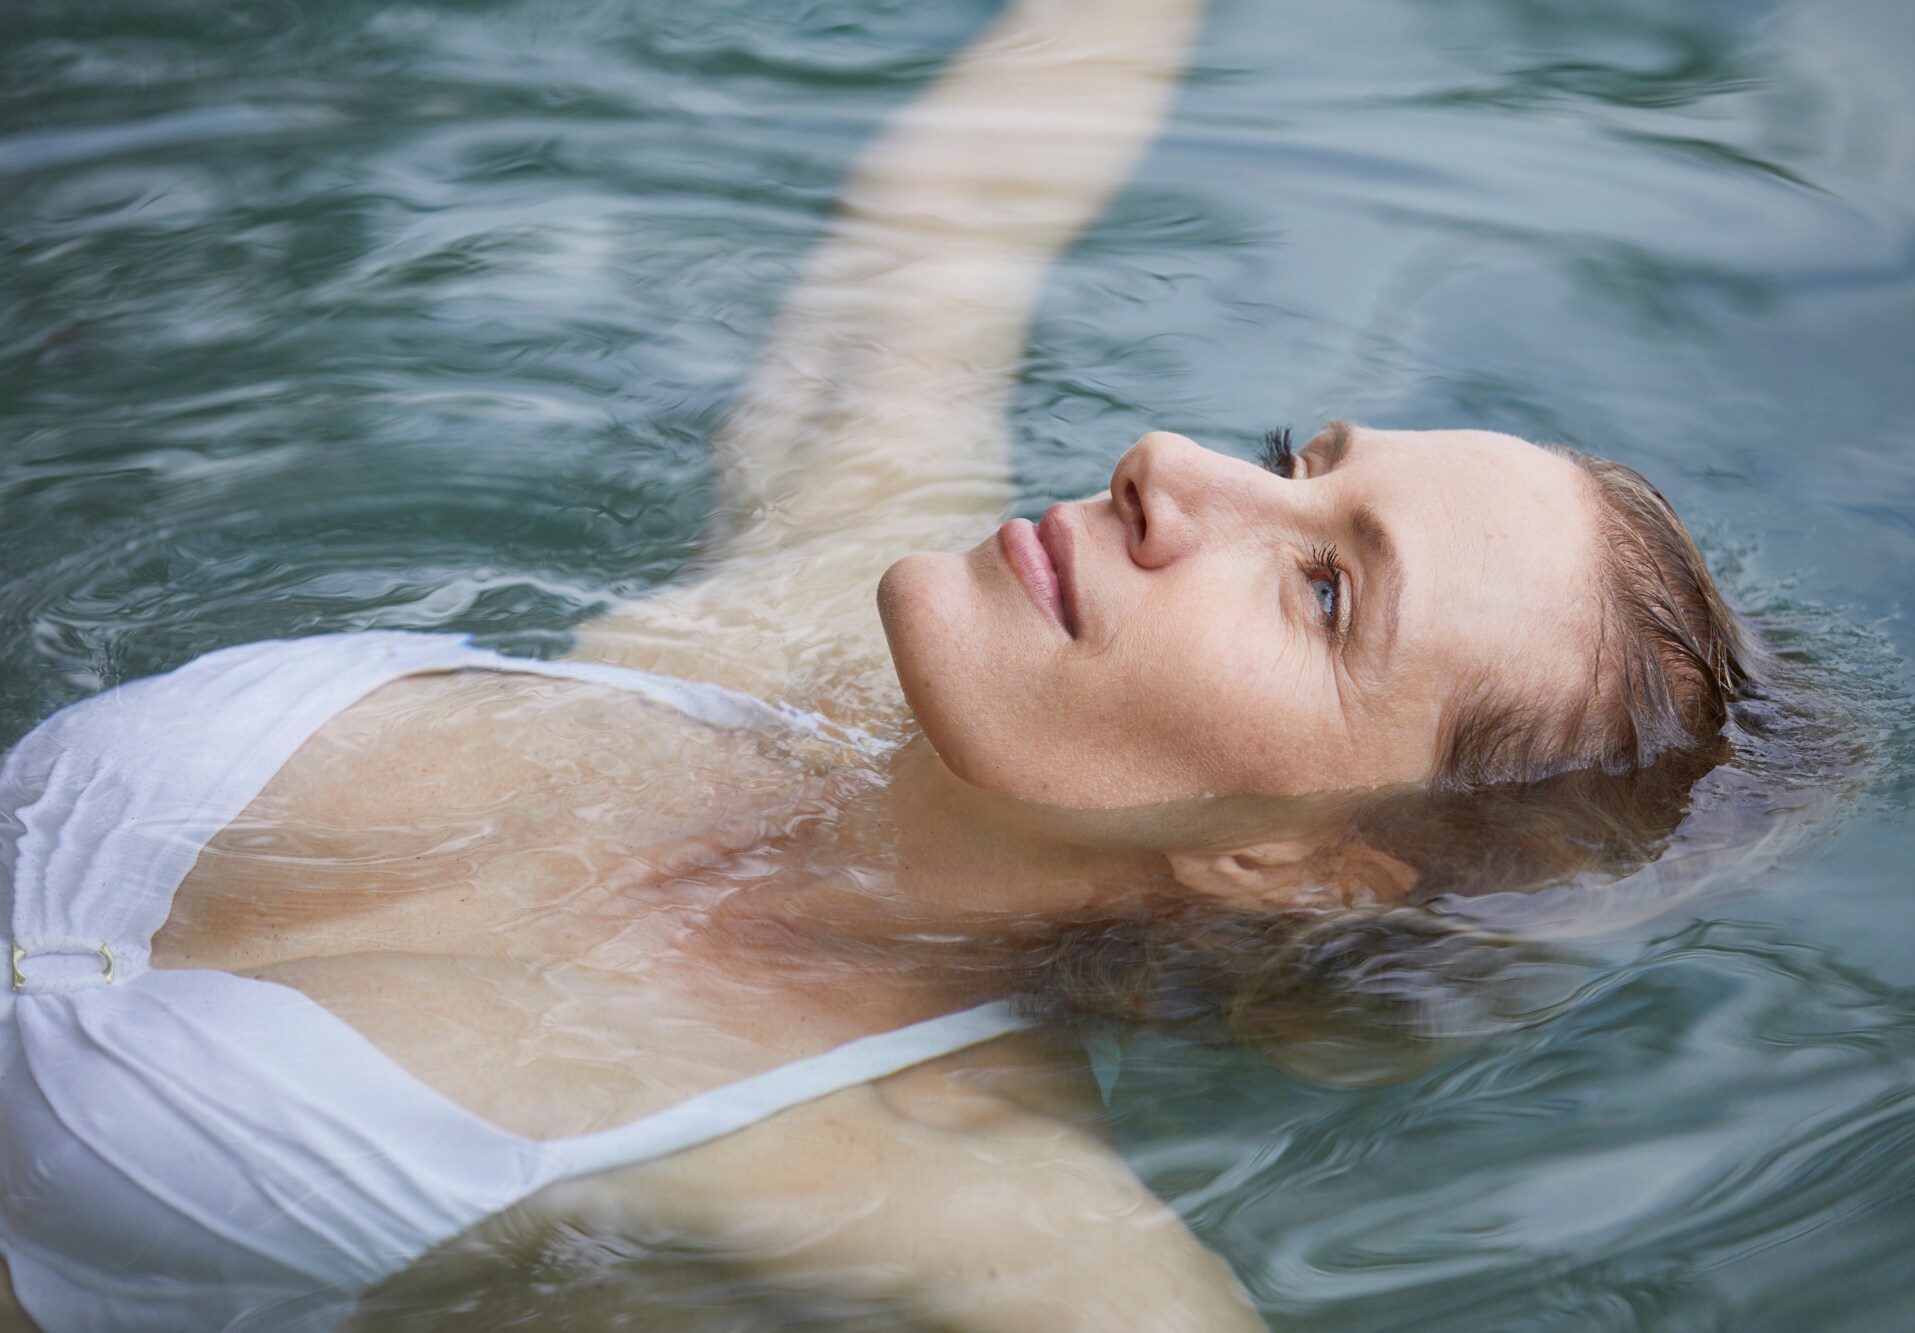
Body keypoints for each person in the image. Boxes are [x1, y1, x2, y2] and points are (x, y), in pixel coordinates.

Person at [0, 0, 1749, 1328]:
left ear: (1289, 858)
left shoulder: (950, 1176)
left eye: (1321, 593)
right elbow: (954, 216)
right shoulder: (795, 624)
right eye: (1299, 458)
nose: (1167, 460)